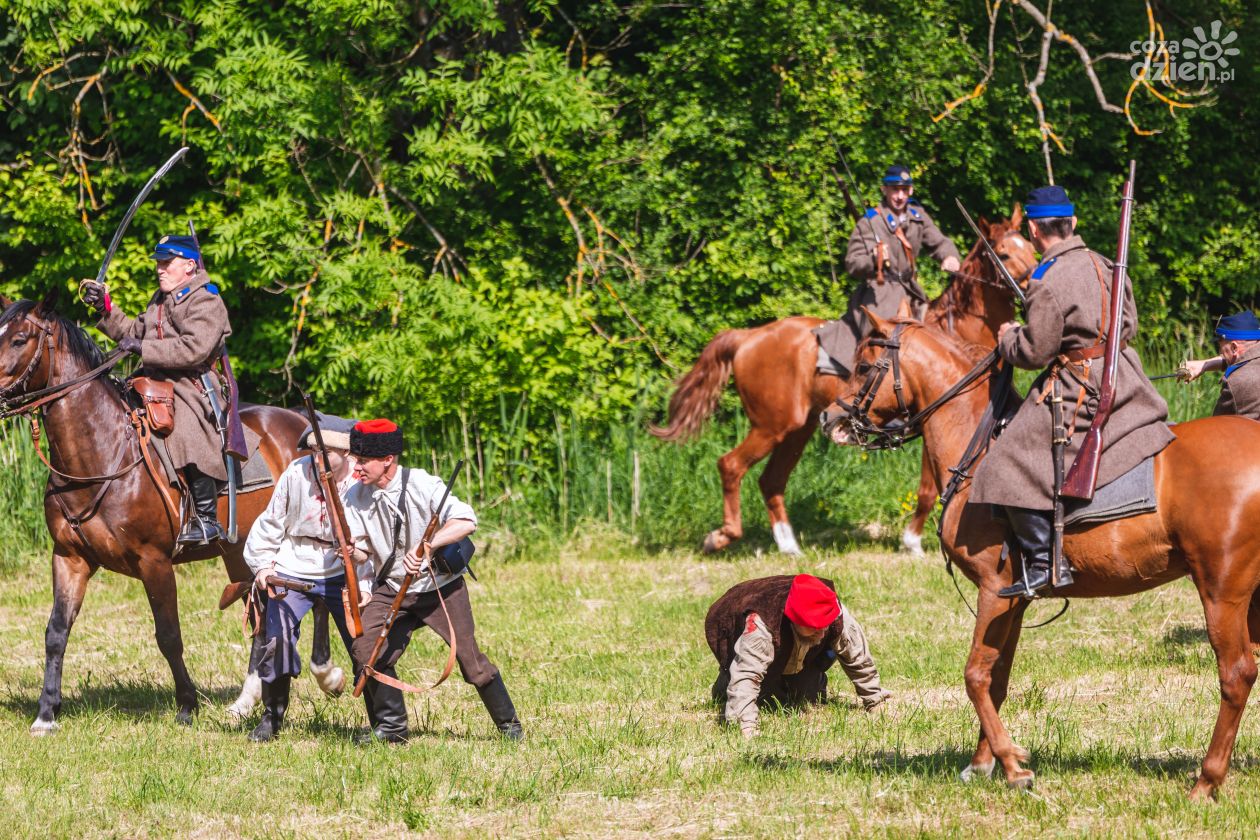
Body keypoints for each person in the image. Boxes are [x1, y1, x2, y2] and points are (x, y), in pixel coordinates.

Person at [969, 185, 1175, 598]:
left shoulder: (1047, 279)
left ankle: (1043, 562)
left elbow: (1034, 351)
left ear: (1032, 230)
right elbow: (1129, 325)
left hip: (1078, 386)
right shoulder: (1106, 265)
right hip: (1126, 376)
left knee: (1005, 459)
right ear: (1074, 223)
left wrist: (1009, 336)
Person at [344, 419, 523, 743]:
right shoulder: (355, 495)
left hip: (440, 587)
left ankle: (509, 726)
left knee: (471, 662)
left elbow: (466, 519)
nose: (356, 467)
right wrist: (353, 551)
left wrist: (428, 546)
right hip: (394, 586)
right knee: (366, 649)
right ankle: (392, 729)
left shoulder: (422, 484)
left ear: (388, 459)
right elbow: (364, 549)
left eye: (362, 460)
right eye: (355, 459)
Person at [82, 235, 232, 543]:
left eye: (167, 263)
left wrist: (143, 347)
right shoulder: (160, 299)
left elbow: (194, 349)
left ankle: (206, 518)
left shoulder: (206, 299)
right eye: (159, 263)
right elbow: (132, 333)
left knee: (188, 429)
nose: (160, 269)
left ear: (190, 266)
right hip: (151, 379)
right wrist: (106, 308)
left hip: (190, 384)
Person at [240, 413, 368, 741]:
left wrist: (364, 579)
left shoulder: (359, 480)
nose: (319, 461)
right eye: (314, 452)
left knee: (365, 644)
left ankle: (385, 722)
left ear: (348, 456)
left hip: (344, 570)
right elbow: (271, 522)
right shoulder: (296, 474)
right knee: (277, 641)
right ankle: (272, 717)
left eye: (327, 454)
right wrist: (264, 567)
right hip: (293, 564)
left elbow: (373, 538)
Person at [815, 163, 963, 376]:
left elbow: (940, 242)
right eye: (895, 190)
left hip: (913, 293)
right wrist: (873, 259)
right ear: (885, 190)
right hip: (880, 296)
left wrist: (949, 257)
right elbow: (852, 263)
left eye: (905, 190)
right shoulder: (871, 222)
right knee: (884, 347)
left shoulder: (917, 217)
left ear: (911, 190)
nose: (900, 196)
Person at [705, 574, 890, 738]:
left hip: (801, 651)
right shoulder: (762, 623)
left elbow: (857, 656)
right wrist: (745, 726)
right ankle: (725, 681)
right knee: (765, 699)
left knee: (807, 697)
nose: (822, 631)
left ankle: (804, 677)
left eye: (825, 624)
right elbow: (747, 675)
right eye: (813, 625)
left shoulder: (835, 612)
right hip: (739, 631)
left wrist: (874, 700)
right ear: (793, 618)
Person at [1178, 310, 1260, 418]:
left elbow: (1217, 427)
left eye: (1220, 345)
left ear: (1234, 348)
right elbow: (1247, 359)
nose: (1220, 352)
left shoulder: (1235, 382)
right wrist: (1205, 364)